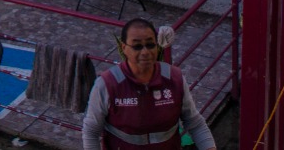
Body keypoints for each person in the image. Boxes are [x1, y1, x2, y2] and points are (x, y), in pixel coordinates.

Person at [81, 17, 216, 150]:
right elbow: (91, 131)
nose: (145, 52)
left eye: (150, 44)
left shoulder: (175, 79)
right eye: (137, 46)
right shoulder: (107, 85)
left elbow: (195, 123)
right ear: (124, 48)